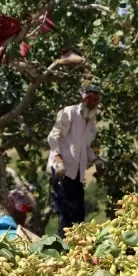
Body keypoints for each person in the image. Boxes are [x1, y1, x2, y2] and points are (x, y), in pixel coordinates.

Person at [46, 85, 106, 238]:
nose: (92, 102)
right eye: (90, 98)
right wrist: (58, 160)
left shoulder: (91, 121)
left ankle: (75, 251)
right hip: (62, 171)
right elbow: (53, 138)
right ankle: (61, 252)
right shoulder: (69, 113)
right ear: (82, 98)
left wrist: (96, 161)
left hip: (77, 174)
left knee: (79, 216)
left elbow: (85, 148)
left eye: (96, 100)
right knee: (66, 215)